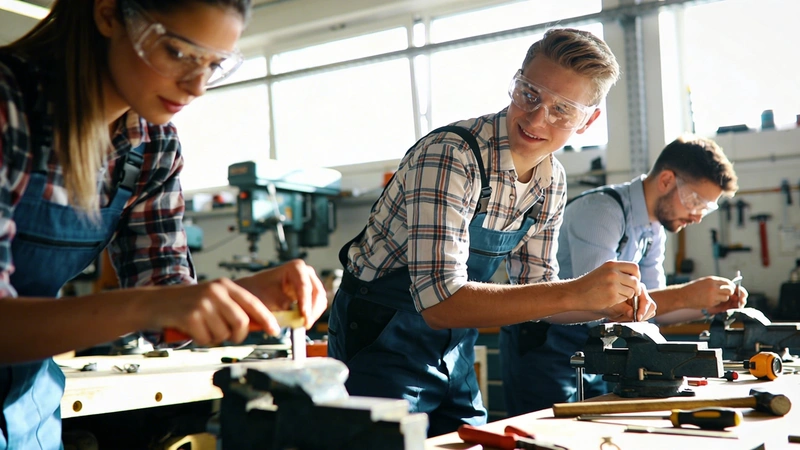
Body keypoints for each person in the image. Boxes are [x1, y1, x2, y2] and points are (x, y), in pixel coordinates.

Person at [0, 1, 328, 448]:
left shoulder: (153, 146)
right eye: (178, 53)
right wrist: (152, 306)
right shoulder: (9, 107)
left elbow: (166, 299)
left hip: (28, 414)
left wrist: (249, 296)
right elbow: (156, 305)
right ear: (109, 14)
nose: (197, 87)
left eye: (213, 65)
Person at [327, 28, 657, 437]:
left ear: (588, 120)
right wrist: (578, 291)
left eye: (562, 110)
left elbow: (539, 292)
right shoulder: (452, 156)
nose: (537, 118)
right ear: (516, 83)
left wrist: (604, 306)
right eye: (529, 94)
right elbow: (440, 301)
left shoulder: (551, 181)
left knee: (474, 440)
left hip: (454, 346)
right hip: (379, 340)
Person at [503, 134, 747, 415]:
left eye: (707, 208)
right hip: (544, 346)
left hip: (597, 346)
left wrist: (707, 306)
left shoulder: (653, 230)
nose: (698, 217)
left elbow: (653, 311)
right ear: (666, 180)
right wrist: (687, 294)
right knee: (542, 436)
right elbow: (603, 304)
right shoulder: (602, 211)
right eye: (696, 202)